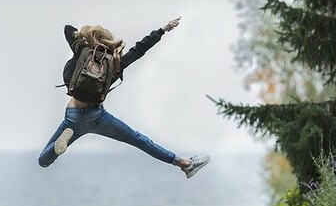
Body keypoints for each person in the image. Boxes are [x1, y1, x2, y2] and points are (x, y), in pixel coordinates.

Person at [38, 17, 210, 179]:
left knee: (43, 161)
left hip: (73, 116)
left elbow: (68, 29)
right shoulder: (114, 63)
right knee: (139, 140)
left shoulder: (82, 51)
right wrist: (164, 29)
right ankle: (185, 164)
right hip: (97, 117)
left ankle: (56, 148)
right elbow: (140, 49)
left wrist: (86, 39)